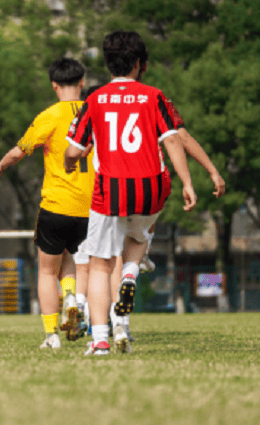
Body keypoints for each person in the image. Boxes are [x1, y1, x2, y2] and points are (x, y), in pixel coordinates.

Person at [65, 30, 197, 355]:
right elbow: (172, 139)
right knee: (137, 241)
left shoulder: (94, 100)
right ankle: (129, 277)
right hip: (152, 188)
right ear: (140, 64)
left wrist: (71, 163)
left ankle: (99, 340)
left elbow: (73, 150)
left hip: (111, 190)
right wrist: (188, 182)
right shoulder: (154, 96)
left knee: (98, 264)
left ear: (108, 64)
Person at [0, 57, 95, 349]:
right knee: (71, 260)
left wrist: (0, 165)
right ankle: (72, 297)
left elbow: (20, 151)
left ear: (54, 86)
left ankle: (51, 335)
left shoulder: (50, 115)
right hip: (89, 207)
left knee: (47, 270)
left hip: (56, 203)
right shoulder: (94, 113)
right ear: (82, 82)